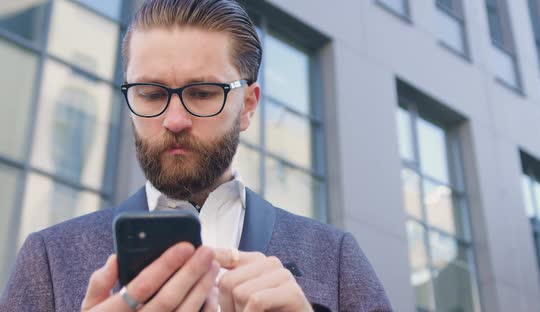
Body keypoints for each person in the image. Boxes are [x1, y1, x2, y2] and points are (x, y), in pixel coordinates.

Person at [0, 0, 392, 311]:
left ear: (249, 106)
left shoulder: (336, 258)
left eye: (203, 93)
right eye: (151, 94)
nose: (174, 119)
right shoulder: (49, 259)